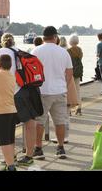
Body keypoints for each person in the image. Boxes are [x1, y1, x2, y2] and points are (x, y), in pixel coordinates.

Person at [0, 33, 42, 166]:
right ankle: (29, 156)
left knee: (9, 125)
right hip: (26, 90)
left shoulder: (1, 51)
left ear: (2, 41)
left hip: (12, 93)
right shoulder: (19, 51)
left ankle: (11, 156)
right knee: (29, 124)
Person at [31, 26, 73, 160]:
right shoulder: (63, 52)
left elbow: (30, 72)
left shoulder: (36, 51)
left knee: (40, 121)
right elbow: (69, 72)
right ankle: (60, 148)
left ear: (43, 38)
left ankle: (38, 148)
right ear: (55, 37)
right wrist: (63, 83)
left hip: (42, 91)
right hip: (59, 91)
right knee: (60, 121)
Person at [67, 34, 83, 116]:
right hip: (78, 72)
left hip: (71, 72)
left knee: (69, 91)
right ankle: (79, 108)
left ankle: (69, 110)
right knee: (78, 90)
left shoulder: (68, 51)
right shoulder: (80, 50)